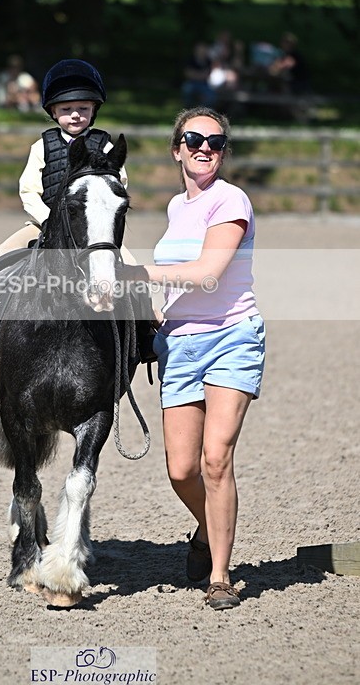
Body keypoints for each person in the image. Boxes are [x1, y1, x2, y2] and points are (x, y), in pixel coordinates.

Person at [122, 106, 266, 610]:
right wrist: (152, 311)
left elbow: (207, 273)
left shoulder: (232, 199)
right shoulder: (175, 208)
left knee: (215, 458)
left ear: (223, 152)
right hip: (180, 342)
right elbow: (179, 280)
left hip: (232, 338)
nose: (205, 147)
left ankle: (221, 576)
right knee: (181, 469)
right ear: (176, 147)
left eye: (216, 141)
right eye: (194, 138)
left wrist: (136, 274)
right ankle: (208, 530)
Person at [0, 58, 155, 353]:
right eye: (66, 110)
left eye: (83, 109)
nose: (75, 115)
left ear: (94, 110)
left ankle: (144, 331)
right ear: (53, 112)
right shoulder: (41, 147)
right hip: (43, 223)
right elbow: (28, 190)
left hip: (94, 232)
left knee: (134, 267)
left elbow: (118, 185)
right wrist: (48, 219)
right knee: (0, 256)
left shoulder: (107, 147)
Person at [181, 42, 217, 108]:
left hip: (205, 84)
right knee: (187, 89)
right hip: (192, 83)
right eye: (200, 50)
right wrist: (200, 75)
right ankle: (188, 109)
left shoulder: (208, 61)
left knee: (212, 96)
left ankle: (201, 111)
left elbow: (208, 74)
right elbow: (188, 74)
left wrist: (195, 74)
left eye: (204, 50)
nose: (202, 52)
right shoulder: (190, 60)